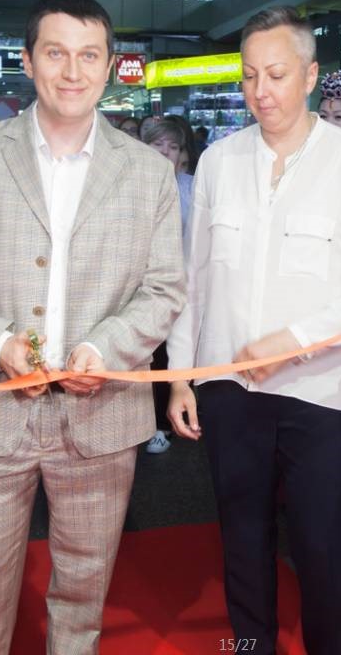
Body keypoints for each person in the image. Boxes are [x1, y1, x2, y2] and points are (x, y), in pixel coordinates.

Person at [0, 0, 185, 655]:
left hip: (102, 414)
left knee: (84, 592)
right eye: (56, 53)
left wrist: (107, 348)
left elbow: (164, 288)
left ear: (109, 66)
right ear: (28, 61)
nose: (72, 71)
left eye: (89, 56)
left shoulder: (148, 172)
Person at [166, 6, 341, 655]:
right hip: (227, 384)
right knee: (241, 539)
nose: (260, 91)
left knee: (320, 545)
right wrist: (182, 376)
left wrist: (291, 340)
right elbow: (194, 277)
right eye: (249, 76)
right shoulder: (219, 162)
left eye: (275, 74)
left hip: (318, 391)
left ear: (310, 76)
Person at [139, 115, 195, 455]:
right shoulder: (131, 185)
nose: (164, 152)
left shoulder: (191, 187)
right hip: (141, 288)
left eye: (172, 146)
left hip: (182, 287)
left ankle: (164, 423)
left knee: (170, 356)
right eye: (157, 144)